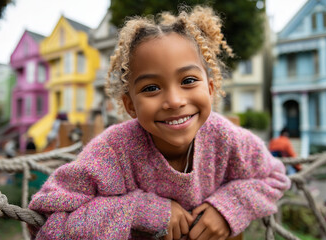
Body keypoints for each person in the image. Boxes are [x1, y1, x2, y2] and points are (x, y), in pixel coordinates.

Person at [28, 6, 290, 240]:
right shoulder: (112, 152)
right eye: (151, 87)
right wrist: (139, 211)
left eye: (188, 81)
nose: (175, 101)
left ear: (210, 89)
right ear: (130, 105)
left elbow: (275, 177)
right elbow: (46, 222)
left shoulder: (226, 138)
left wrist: (229, 208)